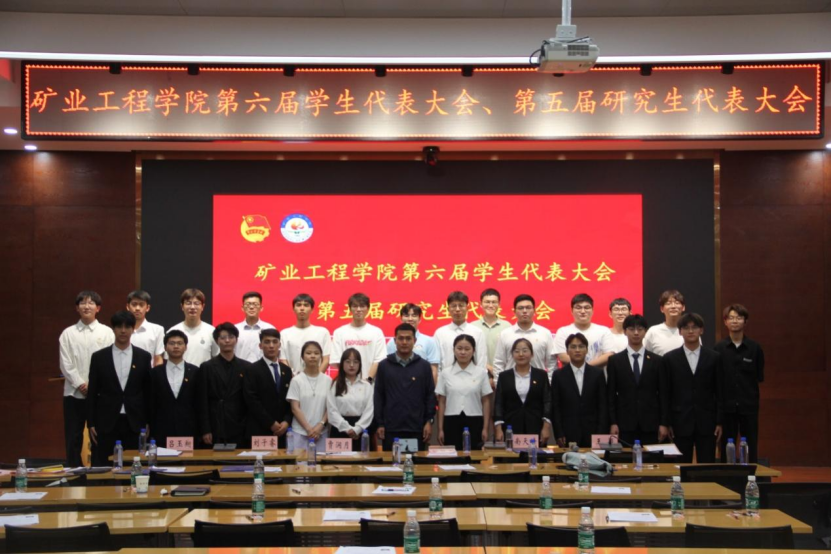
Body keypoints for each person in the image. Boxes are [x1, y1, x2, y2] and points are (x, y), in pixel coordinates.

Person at [86, 311, 152, 466]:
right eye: (119, 327)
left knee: (134, 465)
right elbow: (92, 392)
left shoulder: (144, 357)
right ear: (113, 329)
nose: (123, 331)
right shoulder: (99, 357)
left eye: (127, 327)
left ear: (133, 329)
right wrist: (91, 422)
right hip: (106, 420)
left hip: (134, 420)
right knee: (105, 464)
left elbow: (148, 392)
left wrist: (149, 421)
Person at [59, 290, 114, 467]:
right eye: (82, 303)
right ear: (77, 308)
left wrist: (94, 385)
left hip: (99, 394)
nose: (86, 306)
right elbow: (65, 364)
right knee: (73, 437)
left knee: (98, 435)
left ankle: (99, 471)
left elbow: (109, 361)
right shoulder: (68, 333)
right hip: (74, 394)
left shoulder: (107, 332)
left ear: (98, 308)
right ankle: (74, 472)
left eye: (91, 303)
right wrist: (81, 384)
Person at [661, 312, 723, 464]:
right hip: (679, 421)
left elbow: (720, 391)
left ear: (701, 330)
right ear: (680, 331)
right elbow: (665, 393)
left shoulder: (714, 357)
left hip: (707, 421)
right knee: (680, 466)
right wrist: (666, 422)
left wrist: (719, 422)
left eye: (694, 327)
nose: (690, 331)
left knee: (706, 466)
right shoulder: (669, 358)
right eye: (686, 328)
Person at [607, 314, 669, 446]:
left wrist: (664, 423)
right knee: (625, 458)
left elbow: (663, 394)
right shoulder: (615, 361)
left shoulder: (657, 360)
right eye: (631, 329)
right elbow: (610, 394)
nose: (636, 333)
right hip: (624, 423)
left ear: (645, 332)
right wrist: (613, 422)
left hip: (651, 422)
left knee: (651, 458)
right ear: (625, 331)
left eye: (640, 329)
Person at [374, 323, 436, 451]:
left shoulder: (424, 366)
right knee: (392, 462)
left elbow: (430, 395)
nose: (404, 342)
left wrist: (428, 422)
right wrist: (380, 423)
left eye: (408, 338)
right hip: (391, 429)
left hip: (417, 428)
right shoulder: (384, 366)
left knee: (415, 462)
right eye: (401, 338)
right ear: (394, 340)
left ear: (415, 341)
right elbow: (379, 396)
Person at [715, 304, 764, 463]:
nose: (735, 321)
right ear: (725, 322)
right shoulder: (718, 349)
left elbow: (759, 376)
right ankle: (726, 476)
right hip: (726, 407)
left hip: (748, 406)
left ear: (745, 321)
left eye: (739, 318)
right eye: (731, 318)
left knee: (751, 446)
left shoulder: (754, 348)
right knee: (725, 447)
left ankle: (751, 475)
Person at [196, 322, 251, 447]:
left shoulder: (246, 367)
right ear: (217, 341)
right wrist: (205, 429)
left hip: (239, 423)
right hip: (216, 423)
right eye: (223, 337)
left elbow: (250, 399)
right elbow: (202, 401)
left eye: (231, 337)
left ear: (236, 340)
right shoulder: (207, 367)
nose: (227, 341)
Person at [436, 334, 493, 450]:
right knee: (453, 456)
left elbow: (486, 401)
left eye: (467, 349)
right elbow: (441, 402)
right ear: (453, 350)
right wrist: (440, 429)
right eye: (459, 348)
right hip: (451, 421)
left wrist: (485, 428)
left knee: (474, 456)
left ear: (473, 351)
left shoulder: (481, 373)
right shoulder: (445, 373)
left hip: (475, 420)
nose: (463, 352)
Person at [551, 333, 608, 447]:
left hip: (593, 430)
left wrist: (601, 432)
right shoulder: (558, 375)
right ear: (567, 351)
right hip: (568, 431)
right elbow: (555, 406)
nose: (577, 350)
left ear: (587, 350)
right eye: (573, 347)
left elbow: (602, 405)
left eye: (581, 346)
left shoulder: (597, 374)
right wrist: (559, 433)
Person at [493, 338, 552, 446]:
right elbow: (499, 403)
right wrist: (498, 428)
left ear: (532, 354)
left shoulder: (541, 375)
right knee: (512, 456)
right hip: (510, 427)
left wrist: (546, 426)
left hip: (535, 426)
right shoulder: (504, 376)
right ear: (512, 355)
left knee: (535, 456)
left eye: (525, 350)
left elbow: (547, 401)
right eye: (517, 351)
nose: (521, 354)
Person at [149, 330, 199, 448]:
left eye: (180, 343)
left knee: (188, 459)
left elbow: (199, 402)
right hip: (161, 428)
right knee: (164, 458)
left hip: (188, 427)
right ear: (165, 347)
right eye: (172, 343)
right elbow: (150, 401)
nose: (176, 346)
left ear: (185, 347)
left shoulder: (195, 371)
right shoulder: (155, 373)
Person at [244, 329, 293, 448]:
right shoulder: (252, 369)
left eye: (275, 342)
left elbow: (290, 399)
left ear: (279, 345)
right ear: (260, 346)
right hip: (260, 429)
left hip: (283, 430)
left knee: (284, 460)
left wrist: (286, 421)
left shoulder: (286, 370)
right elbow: (251, 400)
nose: (271, 346)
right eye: (267, 342)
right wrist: (270, 423)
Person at [493, 294, 556, 381]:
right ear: (514, 311)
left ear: (534, 310)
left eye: (528, 307)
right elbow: (499, 362)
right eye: (520, 308)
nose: (525, 311)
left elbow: (551, 362)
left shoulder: (545, 333)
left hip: (539, 384)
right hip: (511, 384)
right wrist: (499, 384)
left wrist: (549, 383)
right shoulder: (505, 334)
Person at [286, 341, 332, 453]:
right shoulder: (296, 380)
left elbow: (331, 407)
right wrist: (309, 429)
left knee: (321, 463)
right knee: (300, 463)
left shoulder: (328, 380)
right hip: (299, 432)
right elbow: (295, 408)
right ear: (302, 357)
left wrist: (320, 425)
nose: (312, 356)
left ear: (321, 357)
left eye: (316, 353)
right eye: (308, 353)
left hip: (321, 432)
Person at [331, 293, 386, 381]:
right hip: (346, 383)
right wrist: (350, 380)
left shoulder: (377, 332)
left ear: (368, 309)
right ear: (350, 309)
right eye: (355, 306)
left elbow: (379, 360)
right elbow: (337, 360)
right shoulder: (339, 332)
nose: (359, 309)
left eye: (362, 306)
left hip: (370, 384)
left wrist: (368, 380)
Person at [327, 348, 374, 451]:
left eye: (355, 362)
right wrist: (347, 428)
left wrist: (357, 429)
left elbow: (369, 411)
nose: (352, 365)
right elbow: (331, 410)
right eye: (348, 361)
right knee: (337, 460)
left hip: (362, 431)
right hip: (339, 429)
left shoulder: (367, 386)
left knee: (362, 460)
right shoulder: (335, 384)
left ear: (360, 364)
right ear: (342, 364)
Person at [554, 293, 616, 369]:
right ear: (572, 311)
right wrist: (585, 367)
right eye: (578, 308)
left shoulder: (604, 331)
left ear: (592, 311)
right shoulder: (563, 331)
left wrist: (587, 368)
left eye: (587, 308)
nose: (583, 311)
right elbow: (563, 356)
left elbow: (609, 354)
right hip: (570, 375)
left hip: (597, 375)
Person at [434, 291, 487, 374]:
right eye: (453, 306)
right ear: (448, 309)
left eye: (461, 305)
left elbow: (481, 361)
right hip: (447, 379)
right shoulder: (440, 333)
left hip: (472, 379)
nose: (457, 309)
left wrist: (479, 378)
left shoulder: (477, 332)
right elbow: (437, 362)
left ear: (467, 308)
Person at [386, 303, 440, 381]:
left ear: (419, 319)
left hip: (421, 383)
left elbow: (433, 369)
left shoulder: (429, 341)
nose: (410, 319)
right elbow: (388, 367)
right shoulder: (392, 342)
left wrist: (432, 388)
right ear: (401, 319)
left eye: (414, 315)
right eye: (406, 316)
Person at [280, 293, 332, 374]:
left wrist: (316, 377)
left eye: (306, 305)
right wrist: (294, 378)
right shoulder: (284, 334)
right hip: (292, 379)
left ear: (312, 309)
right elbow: (283, 360)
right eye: (298, 305)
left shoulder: (322, 332)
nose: (302, 308)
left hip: (317, 378)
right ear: (293, 309)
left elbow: (326, 359)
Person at [169, 288, 218, 366]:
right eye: (188, 303)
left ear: (203, 306)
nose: (192, 307)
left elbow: (217, 359)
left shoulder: (212, 331)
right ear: (182, 306)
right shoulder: (173, 331)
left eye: (196, 303)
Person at [470, 288, 512, 376]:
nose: (490, 305)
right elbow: (469, 353)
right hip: (477, 375)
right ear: (481, 304)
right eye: (487, 302)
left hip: (503, 374)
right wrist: (487, 367)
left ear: (499, 304)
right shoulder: (472, 327)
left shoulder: (507, 326)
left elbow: (511, 353)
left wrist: (497, 371)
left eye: (494, 302)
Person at [234, 291, 275, 363]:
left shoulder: (269, 328)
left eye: (255, 304)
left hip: (262, 368)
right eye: (248, 304)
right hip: (239, 368)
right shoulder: (235, 329)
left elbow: (276, 353)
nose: (251, 307)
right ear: (242, 308)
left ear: (261, 308)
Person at [126, 290, 165, 367]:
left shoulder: (157, 330)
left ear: (147, 308)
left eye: (141, 305)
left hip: (148, 373)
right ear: (127, 307)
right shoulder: (121, 330)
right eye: (134, 304)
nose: (137, 308)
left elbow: (158, 359)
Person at [643, 290, 687, 355]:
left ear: (683, 307)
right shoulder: (653, 332)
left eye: (677, 303)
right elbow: (644, 355)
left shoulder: (690, 332)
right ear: (662, 309)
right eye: (668, 303)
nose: (673, 306)